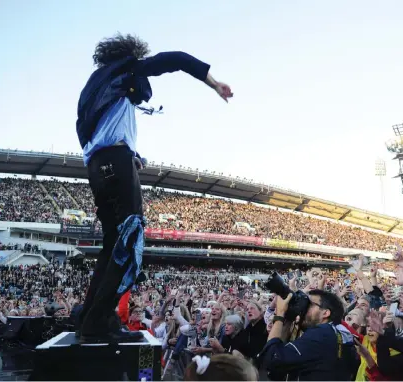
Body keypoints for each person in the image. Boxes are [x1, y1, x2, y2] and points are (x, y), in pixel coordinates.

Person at [75, 33, 233, 343]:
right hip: (115, 162)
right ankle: (96, 320)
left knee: (111, 243)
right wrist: (213, 82)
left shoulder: (96, 86)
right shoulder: (126, 68)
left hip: (97, 166)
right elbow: (176, 59)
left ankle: (91, 317)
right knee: (128, 238)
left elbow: (98, 134)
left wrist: (130, 156)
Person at [259, 289, 357, 381]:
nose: (304, 308)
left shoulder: (320, 334)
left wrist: (280, 314)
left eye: (309, 304)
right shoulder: (337, 334)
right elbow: (278, 370)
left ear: (325, 313)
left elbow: (271, 359)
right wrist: (289, 318)